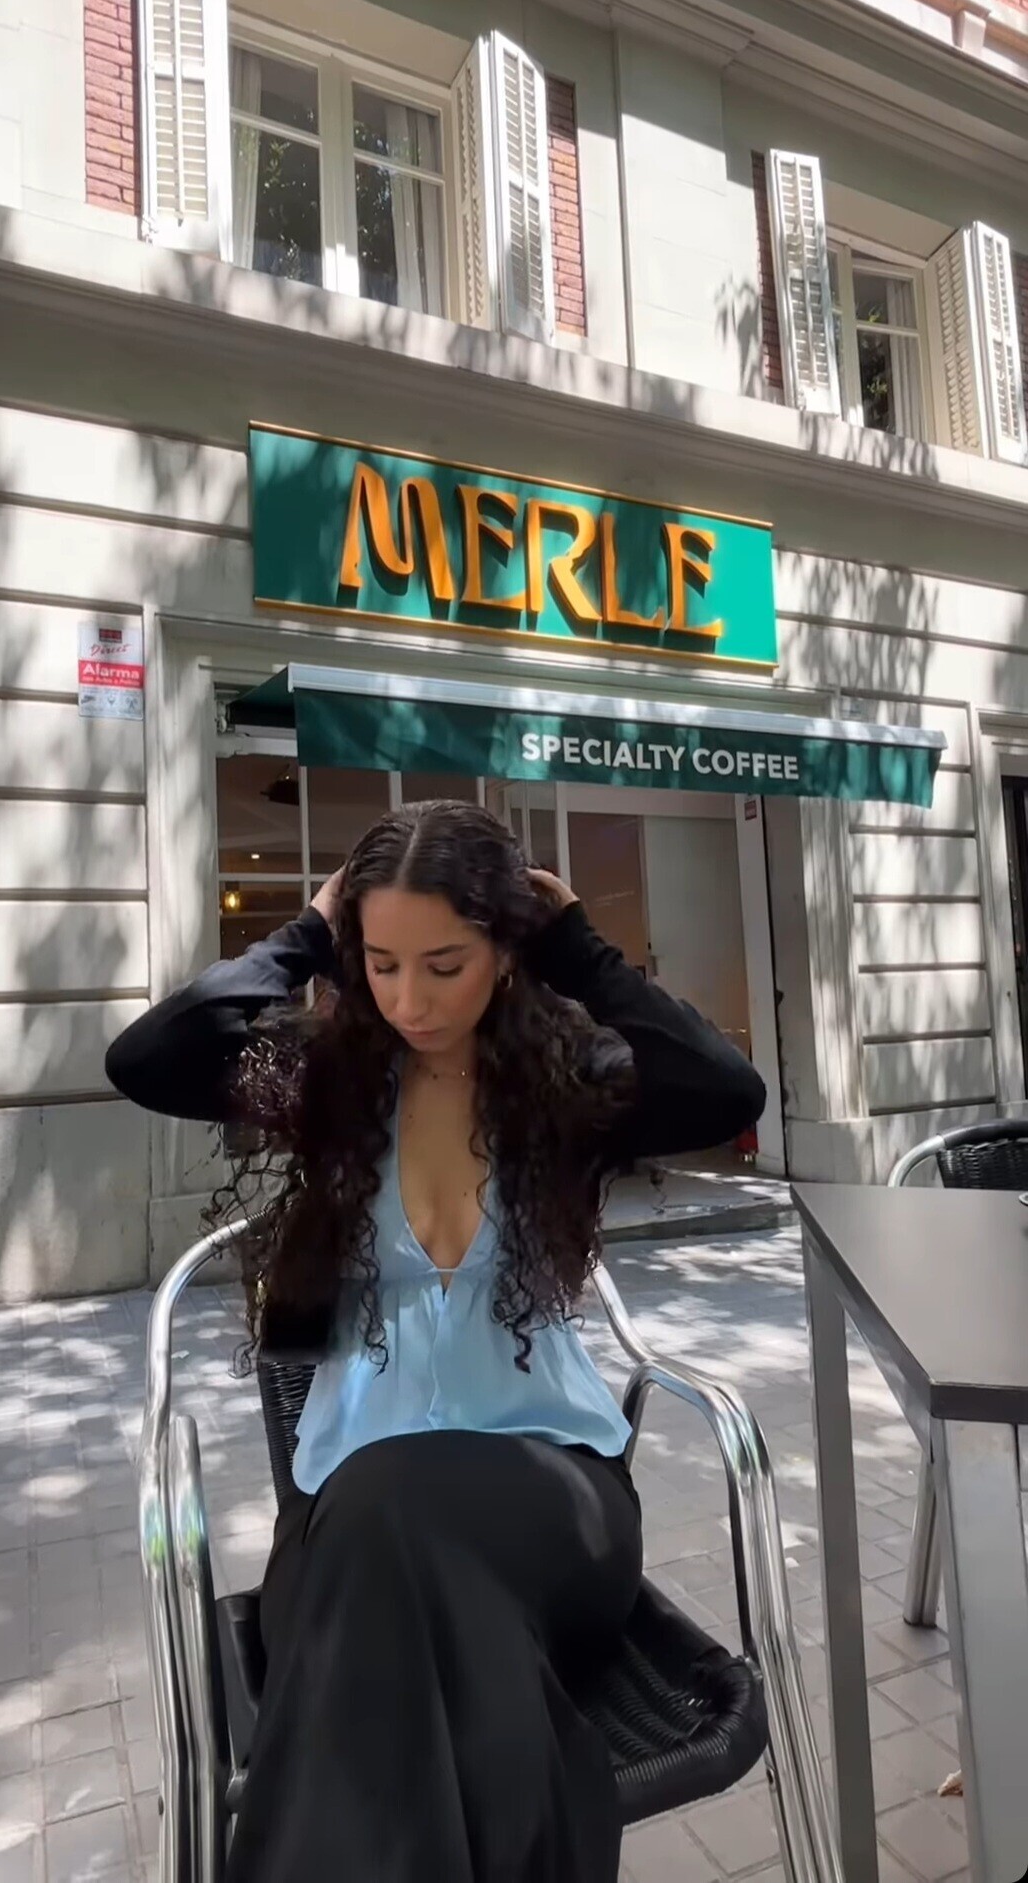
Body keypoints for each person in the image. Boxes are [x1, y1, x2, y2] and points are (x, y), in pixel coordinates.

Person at [107, 799, 765, 1883]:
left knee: (391, 1511)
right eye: (381, 963)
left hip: (552, 1501)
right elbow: (146, 1058)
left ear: (505, 951)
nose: (408, 1000)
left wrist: (578, 946)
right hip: (352, 1528)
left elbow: (726, 1089)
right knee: (389, 1526)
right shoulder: (330, 1085)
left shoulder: (567, 1082)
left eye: (444, 964)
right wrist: (306, 934)